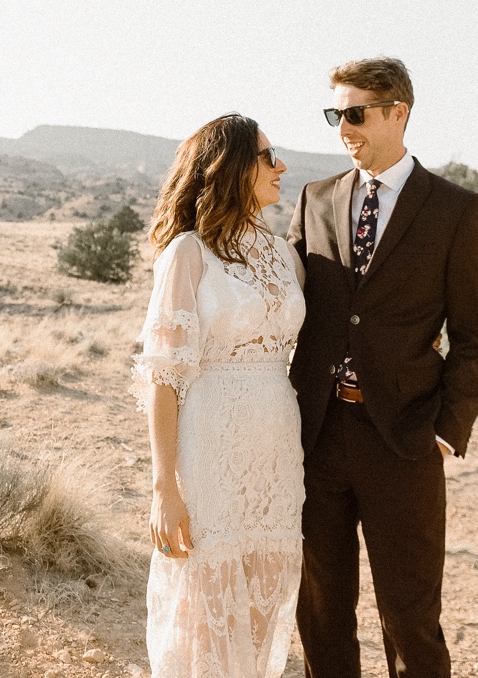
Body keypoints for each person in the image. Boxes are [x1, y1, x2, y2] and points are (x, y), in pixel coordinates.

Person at [289, 57, 478, 678]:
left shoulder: (455, 211)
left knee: (409, 618)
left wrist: (445, 430)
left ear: (397, 114)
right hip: (317, 437)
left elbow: (475, 336)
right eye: (336, 115)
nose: (342, 129)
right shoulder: (316, 199)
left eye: (354, 114)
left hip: (404, 441)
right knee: (322, 613)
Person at [131, 113, 306, 678]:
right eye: (267, 155)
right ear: (230, 167)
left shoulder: (284, 256)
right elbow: (165, 377)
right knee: (207, 602)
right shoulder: (187, 254)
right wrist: (165, 487)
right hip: (210, 452)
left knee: (264, 592)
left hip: (277, 451)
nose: (281, 166)